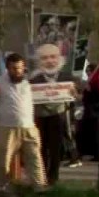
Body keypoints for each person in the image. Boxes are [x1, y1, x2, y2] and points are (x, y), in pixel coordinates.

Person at [0, 53, 47, 190]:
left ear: (24, 68)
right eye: (13, 68)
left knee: (34, 157)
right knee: (2, 159)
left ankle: (39, 186)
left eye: (19, 68)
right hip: (6, 127)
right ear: (7, 68)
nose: (17, 71)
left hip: (28, 127)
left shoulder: (30, 82)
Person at [29, 44, 67, 187]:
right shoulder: (34, 80)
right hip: (40, 117)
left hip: (58, 116)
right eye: (45, 58)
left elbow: (79, 93)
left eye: (53, 57)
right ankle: (42, 175)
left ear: (59, 59)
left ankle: (54, 176)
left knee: (56, 148)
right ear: (39, 61)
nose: (50, 61)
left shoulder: (66, 77)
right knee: (41, 147)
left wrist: (76, 94)